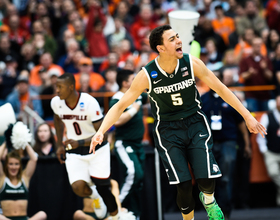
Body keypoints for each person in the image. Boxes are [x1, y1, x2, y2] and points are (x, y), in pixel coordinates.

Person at [89, 24, 267, 220]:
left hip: (195, 123)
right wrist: (101, 131)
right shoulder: (147, 74)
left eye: (177, 37)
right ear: (161, 48)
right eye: (172, 39)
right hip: (167, 130)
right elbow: (120, 105)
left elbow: (222, 89)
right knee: (183, 186)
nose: (179, 41)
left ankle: (208, 200)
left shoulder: (192, 63)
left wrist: (247, 116)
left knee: (207, 180)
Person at [51, 73, 123, 220]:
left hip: (97, 149)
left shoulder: (89, 102)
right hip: (75, 151)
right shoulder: (56, 102)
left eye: (60, 87)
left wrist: (81, 142)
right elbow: (57, 119)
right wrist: (59, 144)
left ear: (71, 87)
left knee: (104, 188)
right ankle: (94, 195)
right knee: (78, 188)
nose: (57, 90)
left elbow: (104, 133)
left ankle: (116, 217)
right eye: (56, 87)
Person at [201, 72, 251, 220]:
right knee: (209, 180)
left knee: (226, 178)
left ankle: (226, 211)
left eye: (217, 77)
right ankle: (213, 213)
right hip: (208, 144)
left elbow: (241, 123)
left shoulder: (230, 97)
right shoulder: (203, 99)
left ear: (221, 80)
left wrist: (247, 144)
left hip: (228, 142)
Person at [110, 69, 148, 218]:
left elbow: (151, 97)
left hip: (138, 144)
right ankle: (115, 205)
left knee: (138, 182)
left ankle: (134, 214)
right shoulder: (117, 98)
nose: (136, 81)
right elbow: (117, 121)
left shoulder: (137, 94)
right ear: (125, 83)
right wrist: (134, 109)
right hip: (124, 143)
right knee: (134, 174)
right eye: (133, 79)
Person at [0, 142, 47, 219]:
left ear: (20, 165)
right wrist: (6, 140)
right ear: (6, 165)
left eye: (16, 164)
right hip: (7, 218)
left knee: (42, 214)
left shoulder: (24, 178)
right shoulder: (2, 179)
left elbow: (34, 159)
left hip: (24, 218)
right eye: (11, 164)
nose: (13, 167)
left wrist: (23, 140)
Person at [256, 95, 280, 207]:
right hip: (271, 152)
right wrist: (264, 150)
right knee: (274, 173)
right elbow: (261, 134)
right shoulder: (267, 116)